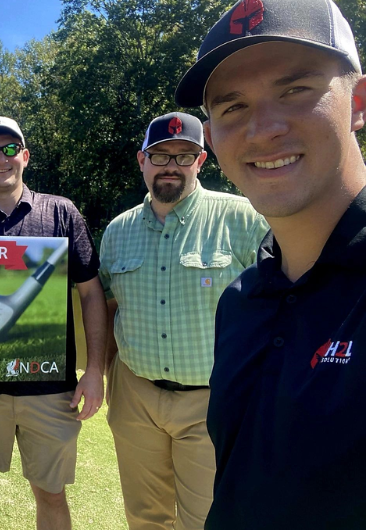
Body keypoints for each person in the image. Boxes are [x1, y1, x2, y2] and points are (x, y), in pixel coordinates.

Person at [174, 0, 366, 527]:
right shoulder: (239, 302)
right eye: (233, 107)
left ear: (358, 101)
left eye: (295, 90)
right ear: (212, 138)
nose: (262, 129)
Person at [98, 112, 268, 530]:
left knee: (208, 520)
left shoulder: (243, 218)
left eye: (184, 155)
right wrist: (98, 374)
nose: (170, 164)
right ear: (142, 160)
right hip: (135, 395)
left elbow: (282, 301)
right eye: (160, 155)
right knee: (144, 517)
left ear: (201, 161)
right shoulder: (118, 231)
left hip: (213, 399)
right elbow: (106, 307)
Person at [0, 116, 107, 530]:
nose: (2, 158)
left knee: (51, 492)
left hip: (49, 387)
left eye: (11, 149)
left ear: (25, 156)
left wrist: (96, 370)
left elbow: (90, 293)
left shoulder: (61, 212)